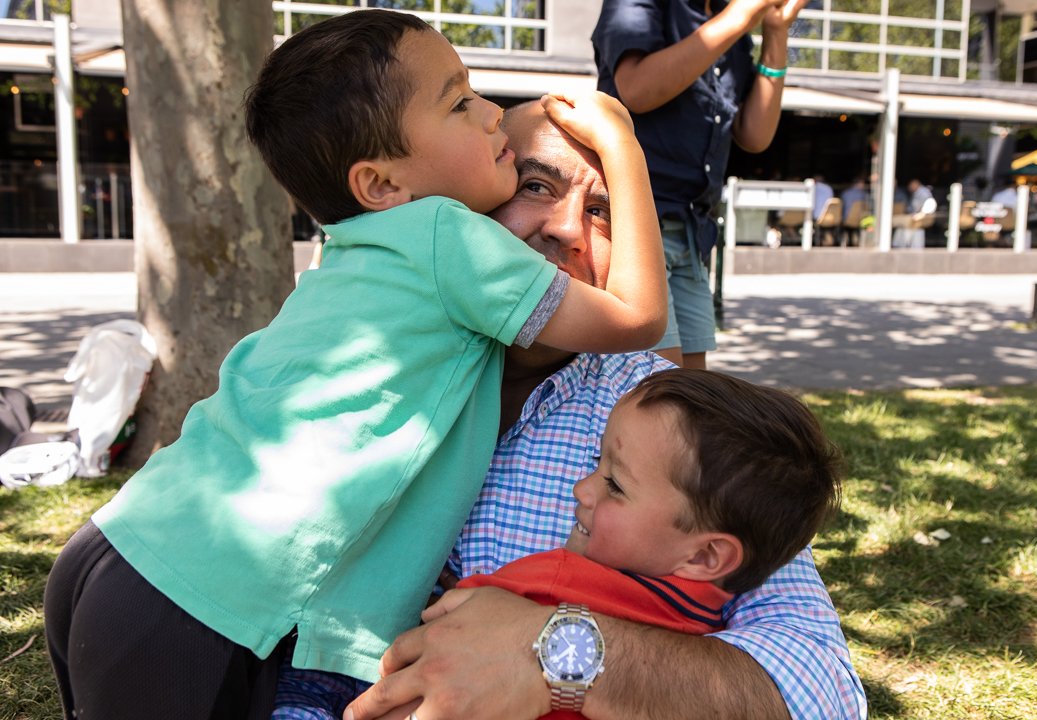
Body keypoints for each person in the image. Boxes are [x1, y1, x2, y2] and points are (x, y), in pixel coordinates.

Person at [43, 10, 667, 718]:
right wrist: (626, 155)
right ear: (380, 183)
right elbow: (639, 318)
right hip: (189, 596)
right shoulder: (448, 238)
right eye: (460, 103)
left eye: (606, 208)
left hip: (125, 549)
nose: (490, 112)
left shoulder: (361, 251)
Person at [337, 100, 867, 720]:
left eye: (602, 212)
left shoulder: (669, 418)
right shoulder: (354, 364)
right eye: (534, 185)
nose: (568, 230)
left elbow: (819, 690)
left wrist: (556, 655)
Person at [450, 367, 844, 720]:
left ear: (706, 555)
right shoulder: (713, 634)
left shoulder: (549, 579)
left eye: (614, 484)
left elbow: (454, 632)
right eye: (596, 465)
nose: (581, 489)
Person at [592, 0, 807, 366]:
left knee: (691, 396)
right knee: (660, 392)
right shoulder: (656, 8)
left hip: (690, 231)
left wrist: (775, 32)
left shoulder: (730, 27)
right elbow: (637, 88)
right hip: (636, 226)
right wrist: (738, 17)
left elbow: (755, 134)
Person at [893, 178, 937, 249]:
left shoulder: (923, 192)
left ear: (915, 184)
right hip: (915, 217)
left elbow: (930, 203)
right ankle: (901, 245)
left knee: (911, 227)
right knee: (903, 226)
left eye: (910, 185)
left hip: (921, 217)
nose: (909, 187)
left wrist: (922, 213)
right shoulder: (917, 192)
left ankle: (905, 245)